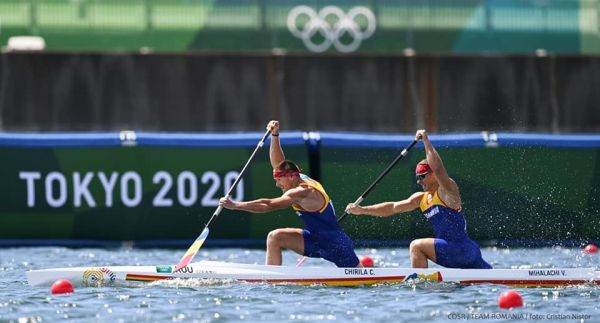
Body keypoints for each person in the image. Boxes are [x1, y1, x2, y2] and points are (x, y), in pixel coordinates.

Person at [219, 120, 360, 267]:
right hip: (314, 240)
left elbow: (269, 205)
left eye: (279, 180)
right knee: (275, 237)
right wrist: (274, 135)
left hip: (336, 246)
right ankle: (271, 280)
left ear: (291, 176)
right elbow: (278, 163)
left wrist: (235, 205)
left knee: (359, 279)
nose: (277, 184)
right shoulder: (299, 177)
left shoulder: (302, 192)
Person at [346, 129, 492, 269]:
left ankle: (418, 285)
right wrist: (362, 210)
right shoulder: (420, 199)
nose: (419, 181)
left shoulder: (448, 191)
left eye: (422, 176)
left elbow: (438, 168)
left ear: (433, 174)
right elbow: (392, 207)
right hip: (466, 252)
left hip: (460, 249)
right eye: (417, 178)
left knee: (416, 246)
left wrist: (426, 141)